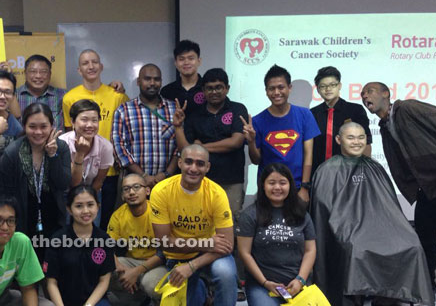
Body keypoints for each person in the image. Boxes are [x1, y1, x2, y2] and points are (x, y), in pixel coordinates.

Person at [311, 122, 434, 306]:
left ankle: (385, 300)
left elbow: (389, 206)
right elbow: (325, 209)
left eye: (361, 137)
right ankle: (353, 301)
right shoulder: (328, 170)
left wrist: (399, 228)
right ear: (338, 140)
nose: (357, 142)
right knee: (355, 248)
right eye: (351, 137)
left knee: (411, 245)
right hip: (345, 228)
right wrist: (346, 227)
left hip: (379, 226)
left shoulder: (375, 168)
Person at [361, 81, 436, 288]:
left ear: (386, 94)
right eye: (362, 94)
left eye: (369, 91)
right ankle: (427, 288)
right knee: (424, 239)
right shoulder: (385, 127)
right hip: (429, 188)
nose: (365, 97)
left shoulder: (408, 108)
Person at [150, 144, 236, 306]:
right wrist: (206, 243)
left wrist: (192, 266)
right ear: (180, 163)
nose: (193, 168)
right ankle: (200, 286)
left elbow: (228, 245)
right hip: (180, 255)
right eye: (188, 162)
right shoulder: (161, 191)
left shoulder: (216, 193)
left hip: (211, 256)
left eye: (200, 164)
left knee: (225, 273)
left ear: (207, 167)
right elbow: (163, 242)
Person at [44, 185, 121, 306]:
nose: (85, 211)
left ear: (98, 207)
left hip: (93, 302)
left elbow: (104, 281)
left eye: (90, 205)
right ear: (69, 209)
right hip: (65, 305)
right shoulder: (57, 239)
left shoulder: (104, 239)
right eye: (79, 206)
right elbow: (51, 283)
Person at [235, 163, 316, 306]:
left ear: (290, 186)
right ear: (263, 185)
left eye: (282, 183)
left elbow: (310, 250)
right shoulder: (250, 215)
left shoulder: (302, 214)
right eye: (271, 183)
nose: (277, 187)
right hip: (263, 284)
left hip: (296, 283)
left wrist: (300, 280)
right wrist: (265, 282)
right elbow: (244, 253)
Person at [62, 49, 129, 228]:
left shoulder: (118, 95)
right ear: (79, 70)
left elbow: (126, 129)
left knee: (100, 222)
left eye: (94, 62)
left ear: (101, 66)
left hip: (108, 169)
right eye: (85, 63)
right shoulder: (69, 98)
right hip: (75, 171)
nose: (90, 66)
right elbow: (70, 132)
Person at [0, 103, 71, 261]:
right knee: (26, 264)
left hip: (53, 215)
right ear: (24, 126)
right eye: (32, 126)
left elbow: (63, 183)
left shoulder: (61, 147)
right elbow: (5, 193)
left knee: (51, 264)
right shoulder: (12, 152)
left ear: (51, 126)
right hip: (22, 218)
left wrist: (53, 156)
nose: (38, 132)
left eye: (43, 126)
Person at [175, 67, 249, 216]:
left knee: (230, 223)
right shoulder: (194, 115)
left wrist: (201, 147)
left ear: (227, 88)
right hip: (200, 180)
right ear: (203, 90)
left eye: (219, 87)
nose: (214, 92)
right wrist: (178, 127)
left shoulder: (237, 109)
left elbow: (235, 142)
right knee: (200, 221)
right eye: (209, 88)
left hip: (231, 180)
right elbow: (186, 151)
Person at [243, 64, 320, 201]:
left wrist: (304, 187)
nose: (276, 92)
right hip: (268, 188)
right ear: (266, 91)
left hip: (296, 187)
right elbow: (256, 160)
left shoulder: (304, 115)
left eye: (281, 87)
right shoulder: (256, 121)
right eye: (271, 89)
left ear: (289, 88)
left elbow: (309, 154)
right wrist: (251, 141)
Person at [107, 173, 165, 306]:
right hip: (132, 260)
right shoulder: (118, 215)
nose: (131, 192)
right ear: (122, 195)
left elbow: (164, 253)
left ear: (147, 191)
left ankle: (157, 301)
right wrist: (119, 266)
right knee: (106, 269)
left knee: (150, 284)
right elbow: (107, 246)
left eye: (136, 187)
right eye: (126, 189)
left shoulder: (158, 212)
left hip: (158, 263)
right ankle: (138, 300)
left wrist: (136, 272)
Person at [112, 63, 178, 189]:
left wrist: (166, 174)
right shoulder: (124, 110)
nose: (152, 83)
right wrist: (143, 175)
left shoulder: (174, 109)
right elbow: (119, 147)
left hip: (167, 183)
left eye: (156, 79)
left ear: (161, 82)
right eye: (147, 79)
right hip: (133, 184)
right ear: (138, 81)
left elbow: (179, 147)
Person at [310, 66, 371, 175]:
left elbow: (366, 143)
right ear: (318, 90)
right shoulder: (312, 114)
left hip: (349, 172)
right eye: (323, 86)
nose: (328, 89)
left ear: (339, 86)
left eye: (332, 85)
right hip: (319, 173)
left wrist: (363, 172)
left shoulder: (355, 110)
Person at [59, 99, 114, 193]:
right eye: (84, 120)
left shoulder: (105, 146)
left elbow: (99, 181)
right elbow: (73, 182)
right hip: (64, 192)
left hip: (92, 192)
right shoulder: (62, 143)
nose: (90, 125)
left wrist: (88, 199)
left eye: (94, 120)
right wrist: (80, 154)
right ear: (72, 122)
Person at [9, 54, 65, 132]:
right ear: (25, 73)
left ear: (50, 74)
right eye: (33, 71)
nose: (38, 76)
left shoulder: (62, 96)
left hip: (56, 143)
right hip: (22, 143)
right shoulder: (13, 96)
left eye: (43, 72)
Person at [160, 39, 205, 115]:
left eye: (191, 58)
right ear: (176, 63)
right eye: (181, 59)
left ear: (199, 61)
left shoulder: (207, 88)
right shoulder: (167, 91)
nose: (186, 62)